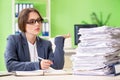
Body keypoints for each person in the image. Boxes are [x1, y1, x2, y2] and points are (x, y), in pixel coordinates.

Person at [4, 8, 70, 72]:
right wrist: (38, 65)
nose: (37, 24)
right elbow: (10, 65)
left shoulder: (46, 44)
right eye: (32, 21)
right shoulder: (13, 40)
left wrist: (59, 41)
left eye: (39, 20)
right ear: (23, 24)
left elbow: (57, 67)